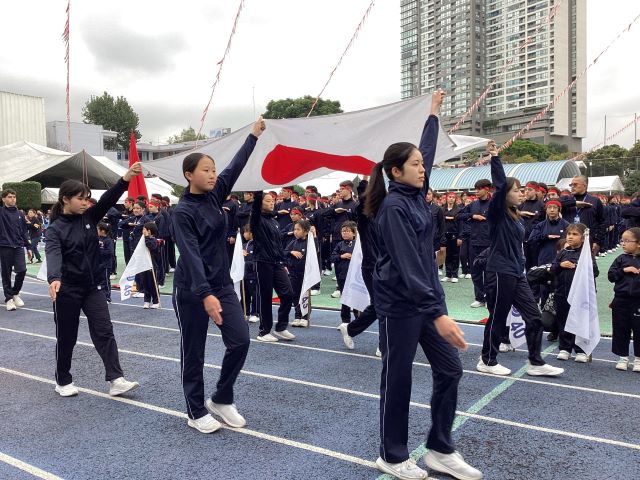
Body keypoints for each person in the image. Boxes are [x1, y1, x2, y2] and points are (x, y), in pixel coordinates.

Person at [365, 91, 482, 480]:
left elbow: (427, 151)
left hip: (425, 302)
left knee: (449, 370)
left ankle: (439, 448)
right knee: (398, 379)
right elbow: (411, 266)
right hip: (400, 304)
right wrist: (439, 314)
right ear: (396, 172)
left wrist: (432, 115)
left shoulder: (417, 194)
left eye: (421, 163)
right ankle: (392, 454)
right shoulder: (395, 208)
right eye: (414, 164)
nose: (422, 167)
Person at [171, 117, 265, 434]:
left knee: (239, 341)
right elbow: (191, 254)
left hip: (221, 285)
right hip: (192, 290)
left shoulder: (215, 194)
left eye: (213, 170)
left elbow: (236, 166)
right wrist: (205, 294)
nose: (212, 175)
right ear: (189, 175)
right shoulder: (181, 212)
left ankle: (222, 397)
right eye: (205, 170)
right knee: (193, 351)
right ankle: (195, 411)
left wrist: (253, 135)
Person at [45, 166, 142, 398]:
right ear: (65, 199)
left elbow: (109, 199)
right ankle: (63, 379)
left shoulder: (89, 217)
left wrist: (125, 179)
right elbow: (53, 253)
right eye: (80, 198)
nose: (85, 203)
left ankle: (116, 379)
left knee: (104, 331)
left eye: (87, 198)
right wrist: (54, 278)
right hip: (67, 289)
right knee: (67, 336)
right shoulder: (56, 229)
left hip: (93, 287)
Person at [477, 141, 564, 378]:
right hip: (499, 272)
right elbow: (498, 185)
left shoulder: (516, 216)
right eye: (517, 190)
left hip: (517, 273)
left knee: (534, 318)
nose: (522, 193)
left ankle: (535, 362)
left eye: (522, 190)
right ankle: (487, 359)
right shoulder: (497, 214)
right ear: (505, 194)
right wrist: (495, 157)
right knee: (498, 317)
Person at [251, 190, 296, 342]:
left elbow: (277, 245)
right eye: (268, 200)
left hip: (276, 263)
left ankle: (281, 327)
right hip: (262, 262)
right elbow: (256, 206)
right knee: (265, 297)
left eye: (273, 200)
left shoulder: (274, 222)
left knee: (288, 293)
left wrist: (283, 262)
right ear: (260, 202)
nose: (272, 203)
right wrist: (259, 187)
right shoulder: (256, 219)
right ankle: (264, 331)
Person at [552, 223, 599, 362]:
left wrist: (579, 267)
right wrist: (560, 265)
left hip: (581, 295)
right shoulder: (563, 253)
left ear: (583, 238)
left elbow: (594, 272)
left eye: (575, 234)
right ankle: (565, 348)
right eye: (569, 234)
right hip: (562, 293)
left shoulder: (587, 255)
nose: (570, 237)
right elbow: (553, 269)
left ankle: (581, 350)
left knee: (581, 320)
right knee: (563, 320)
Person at [608, 227, 640, 372]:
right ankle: (623, 357)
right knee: (621, 328)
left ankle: (638, 359)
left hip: (638, 301)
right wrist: (623, 270)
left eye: (627, 241)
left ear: (638, 243)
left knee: (638, 329)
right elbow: (611, 276)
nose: (623, 243)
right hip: (621, 300)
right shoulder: (620, 259)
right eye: (622, 240)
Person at [458, 179, 492, 307]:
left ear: (487, 189)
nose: (476, 191)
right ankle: (479, 298)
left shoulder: (494, 204)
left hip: (489, 244)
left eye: (479, 189)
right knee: (476, 272)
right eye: (475, 189)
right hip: (474, 243)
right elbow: (459, 215)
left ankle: (490, 297)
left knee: (489, 273)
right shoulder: (473, 205)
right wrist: (473, 216)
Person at [0, 189, 32, 311]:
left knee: (22, 270)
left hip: (18, 246)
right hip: (4, 247)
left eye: (14, 196)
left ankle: (15, 293)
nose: (12, 199)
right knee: (6, 274)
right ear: (3, 199)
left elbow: (24, 232)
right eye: (9, 197)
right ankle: (8, 299)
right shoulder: (1, 212)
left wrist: (28, 247)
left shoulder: (20, 214)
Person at [559, 175, 605, 255]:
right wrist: (574, 203)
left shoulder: (595, 201)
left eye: (575, 184)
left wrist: (597, 241)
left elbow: (602, 222)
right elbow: (553, 202)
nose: (572, 187)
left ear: (584, 186)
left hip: (587, 241)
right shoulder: (567, 199)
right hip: (568, 241)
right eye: (571, 185)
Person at [285, 219, 313, 327]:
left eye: (298, 229)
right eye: (294, 229)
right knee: (295, 295)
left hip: (305, 274)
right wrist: (292, 252)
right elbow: (284, 252)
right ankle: (297, 316)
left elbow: (314, 258)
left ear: (305, 231)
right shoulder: (293, 242)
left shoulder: (310, 243)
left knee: (305, 295)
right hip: (293, 273)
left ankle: (305, 317)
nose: (295, 232)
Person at [331, 221, 359, 321]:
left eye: (347, 231)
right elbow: (332, 257)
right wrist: (341, 256)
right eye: (343, 231)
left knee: (356, 298)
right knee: (345, 299)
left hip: (355, 277)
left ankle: (358, 320)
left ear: (354, 233)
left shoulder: (358, 245)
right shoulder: (339, 245)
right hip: (342, 275)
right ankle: (345, 321)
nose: (345, 233)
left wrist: (354, 257)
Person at [442, 192, 461, 282]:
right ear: (446, 198)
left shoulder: (458, 210)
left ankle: (455, 274)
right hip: (445, 234)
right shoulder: (442, 209)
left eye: (453, 197)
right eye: (450, 197)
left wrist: (460, 237)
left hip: (455, 234)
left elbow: (461, 225)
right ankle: (448, 274)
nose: (451, 199)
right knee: (447, 255)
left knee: (455, 255)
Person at [141, 222, 162, 309]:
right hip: (144, 265)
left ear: (149, 231)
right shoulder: (142, 240)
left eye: (144, 229)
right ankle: (146, 300)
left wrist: (146, 237)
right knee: (145, 284)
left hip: (152, 266)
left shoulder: (153, 240)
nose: (142, 231)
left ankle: (156, 301)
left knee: (153, 284)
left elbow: (151, 247)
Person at [241, 224, 259, 323]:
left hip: (254, 274)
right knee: (245, 294)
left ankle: (255, 313)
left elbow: (256, 261)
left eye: (245, 232)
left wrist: (247, 261)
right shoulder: (244, 245)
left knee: (255, 294)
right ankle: (246, 312)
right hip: (245, 275)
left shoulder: (257, 245)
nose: (244, 234)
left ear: (251, 233)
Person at [97, 222, 114, 303]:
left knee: (105, 281)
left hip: (106, 264)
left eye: (98, 229)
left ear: (102, 231)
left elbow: (110, 252)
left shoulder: (108, 240)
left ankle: (107, 297)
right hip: (98, 264)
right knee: (98, 281)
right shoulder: (97, 238)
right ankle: (100, 297)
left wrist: (99, 251)